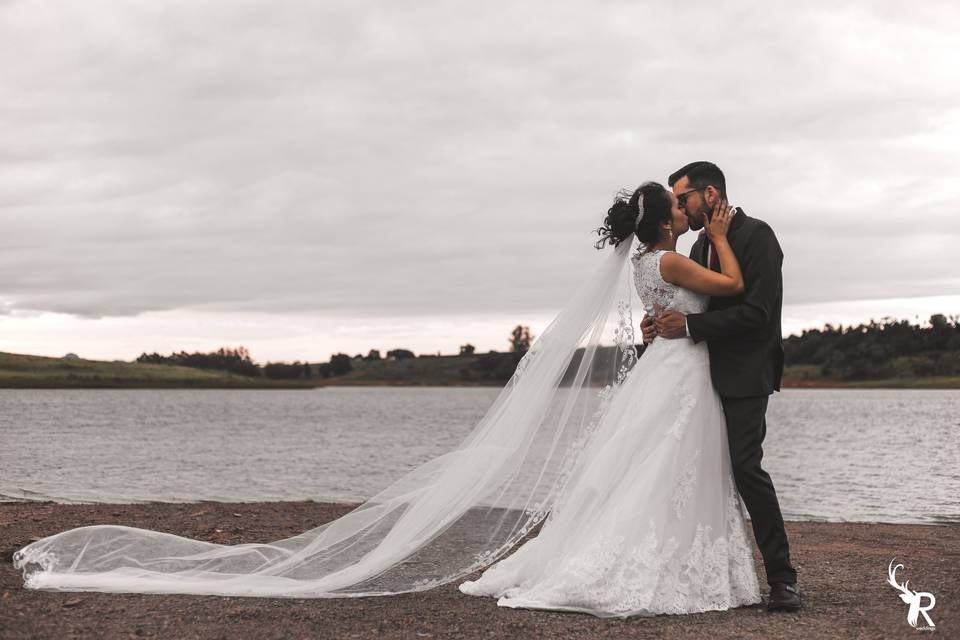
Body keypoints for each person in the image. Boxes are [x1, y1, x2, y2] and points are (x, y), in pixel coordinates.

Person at [13, 180, 764, 618]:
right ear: (669, 219)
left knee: (653, 467)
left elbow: (683, 304)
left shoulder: (644, 264)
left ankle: (658, 555)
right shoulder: (673, 254)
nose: (692, 211)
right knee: (661, 466)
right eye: (685, 206)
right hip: (675, 373)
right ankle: (660, 562)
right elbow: (728, 287)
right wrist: (725, 236)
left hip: (672, 369)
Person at [641, 161, 800, 612]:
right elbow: (690, 301)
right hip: (697, 376)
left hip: (746, 373)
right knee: (691, 469)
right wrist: (658, 324)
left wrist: (689, 325)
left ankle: (783, 580)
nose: (680, 206)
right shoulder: (695, 247)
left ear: (710, 195)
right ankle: (687, 571)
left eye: (684, 197)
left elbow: (758, 313)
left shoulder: (758, 236)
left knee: (747, 468)